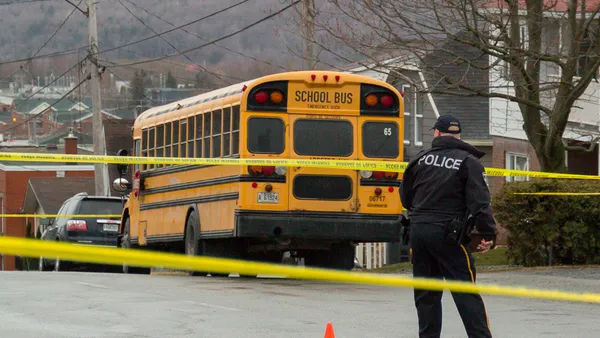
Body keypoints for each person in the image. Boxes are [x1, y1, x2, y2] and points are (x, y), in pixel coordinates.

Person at [400, 114, 497, 338]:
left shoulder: (420, 158)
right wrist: (488, 233)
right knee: (465, 292)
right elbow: (480, 203)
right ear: (459, 135)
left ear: (436, 133)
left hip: (419, 232)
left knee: (426, 295)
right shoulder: (468, 161)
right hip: (448, 234)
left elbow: (405, 197)